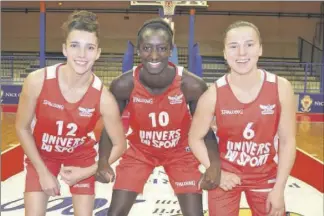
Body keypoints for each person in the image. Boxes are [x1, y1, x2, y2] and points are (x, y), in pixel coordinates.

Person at [95, 18, 221, 216]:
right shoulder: (123, 85)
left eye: (161, 48)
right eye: (146, 48)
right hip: (140, 151)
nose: (154, 55)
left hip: (180, 152)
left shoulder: (192, 85)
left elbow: (205, 131)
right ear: (138, 50)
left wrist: (214, 164)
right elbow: (109, 128)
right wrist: (103, 161)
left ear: (171, 50)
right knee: (115, 213)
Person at [15, 10, 127, 216]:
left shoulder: (104, 98)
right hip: (43, 154)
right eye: (75, 46)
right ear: (65, 49)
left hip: (80, 156)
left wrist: (86, 172)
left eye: (89, 48)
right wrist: (43, 172)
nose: (82, 55)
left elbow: (120, 145)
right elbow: (22, 127)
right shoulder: (36, 81)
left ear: (98, 53)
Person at [188, 20, 296, 216]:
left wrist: (279, 188)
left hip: (266, 177)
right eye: (233, 46)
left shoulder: (281, 87)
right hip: (227, 176)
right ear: (224, 53)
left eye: (249, 44)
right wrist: (216, 172)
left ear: (260, 49)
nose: (241, 53)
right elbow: (194, 138)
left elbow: (288, 141)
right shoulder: (213, 94)